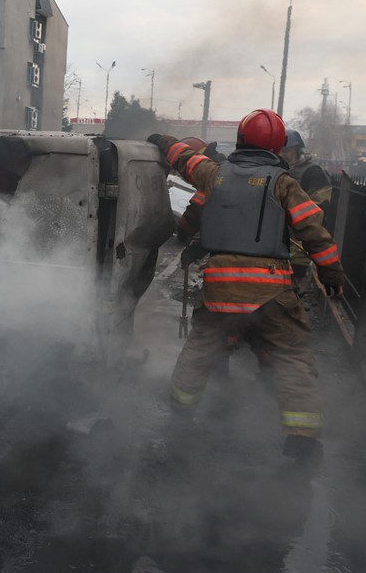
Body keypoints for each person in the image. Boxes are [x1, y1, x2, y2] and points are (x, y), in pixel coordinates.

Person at [147, 108, 344, 469]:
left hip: (220, 287)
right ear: (278, 145)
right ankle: (300, 442)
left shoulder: (215, 173)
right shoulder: (284, 183)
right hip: (271, 288)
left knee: (199, 349)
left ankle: (179, 417)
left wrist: (162, 141)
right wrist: (331, 275)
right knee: (293, 358)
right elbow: (314, 231)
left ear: (239, 139)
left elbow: (186, 158)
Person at [281, 130, 333, 295]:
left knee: (294, 286)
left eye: (286, 150)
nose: (283, 154)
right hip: (277, 240)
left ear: (297, 150)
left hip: (298, 240)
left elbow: (320, 206)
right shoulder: (278, 170)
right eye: (279, 150)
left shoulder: (313, 172)